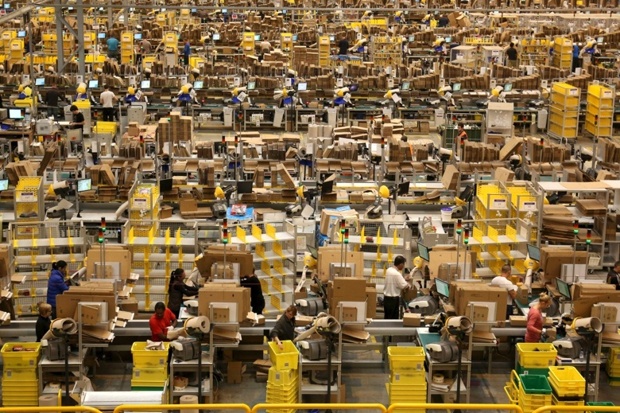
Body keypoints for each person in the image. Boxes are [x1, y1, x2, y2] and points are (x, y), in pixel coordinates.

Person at [383, 256, 410, 320]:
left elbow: (395, 281)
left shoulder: (388, 270)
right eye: (403, 264)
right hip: (393, 300)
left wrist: (403, 279)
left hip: (386, 299)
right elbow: (405, 286)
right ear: (400, 264)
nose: (403, 267)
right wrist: (409, 284)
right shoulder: (397, 274)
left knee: (387, 318)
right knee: (393, 320)